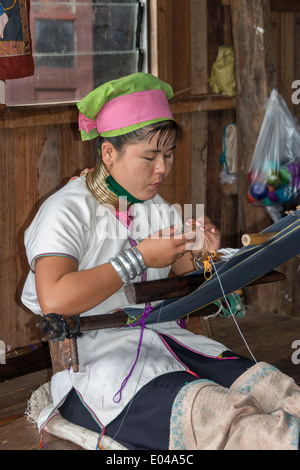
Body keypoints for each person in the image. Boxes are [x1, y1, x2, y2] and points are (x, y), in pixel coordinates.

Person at [22, 73, 300, 450]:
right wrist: (138, 258)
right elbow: (54, 298)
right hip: (100, 364)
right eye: (149, 157)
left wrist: (203, 257)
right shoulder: (66, 211)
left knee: (278, 390)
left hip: (167, 340)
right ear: (108, 153)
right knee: (230, 420)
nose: (162, 169)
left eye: (167, 156)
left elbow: (175, 274)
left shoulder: (158, 210)